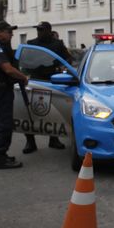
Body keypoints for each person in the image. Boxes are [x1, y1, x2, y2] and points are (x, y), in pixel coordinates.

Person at [0, 21, 27, 169]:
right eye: (9, 32)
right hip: (0, 91)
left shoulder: (1, 47)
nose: (11, 34)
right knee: (3, 125)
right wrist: (23, 77)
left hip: (1, 91)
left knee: (0, 124)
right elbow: (8, 69)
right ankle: (1, 158)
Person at [23, 21, 71, 153]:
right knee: (31, 113)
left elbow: (68, 58)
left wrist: (62, 67)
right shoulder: (31, 44)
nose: (39, 32)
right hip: (35, 80)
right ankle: (30, 142)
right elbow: (25, 61)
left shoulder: (58, 44)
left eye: (42, 30)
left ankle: (54, 139)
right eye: (38, 30)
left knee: (53, 111)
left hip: (52, 80)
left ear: (49, 31)